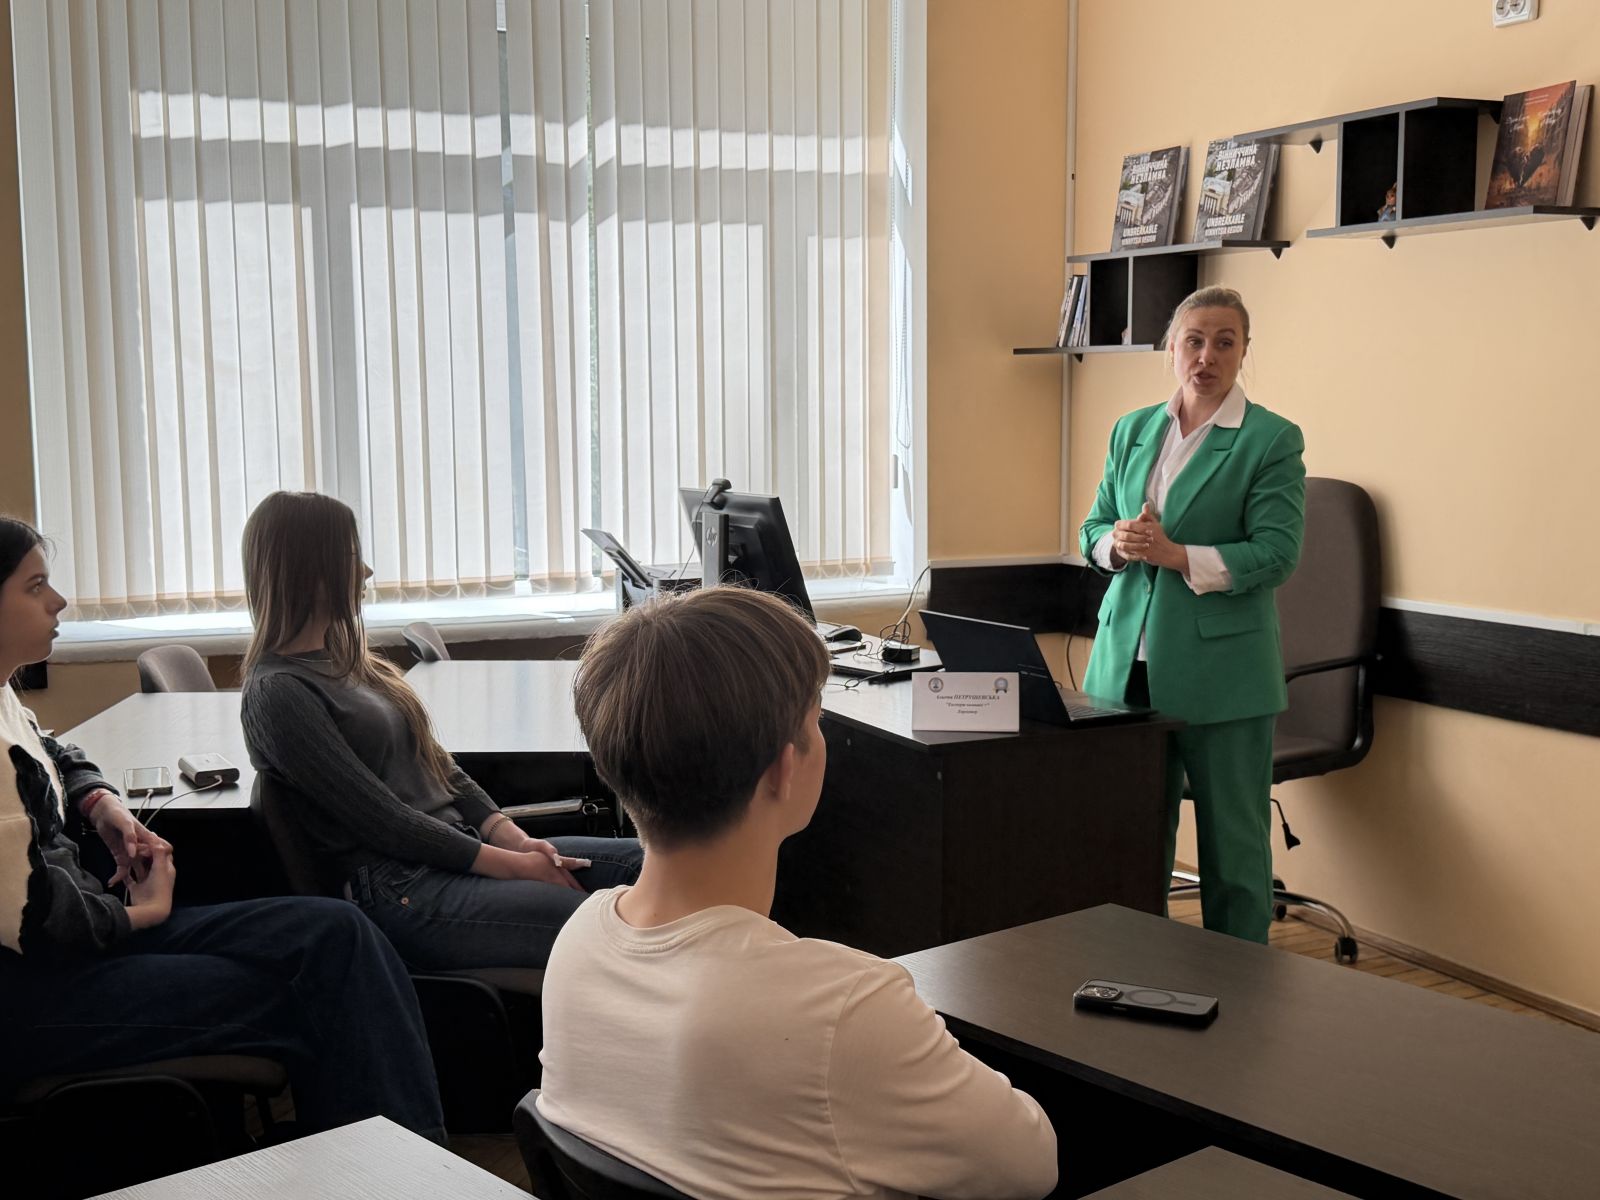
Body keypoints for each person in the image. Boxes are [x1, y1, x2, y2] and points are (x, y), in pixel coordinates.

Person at [541, 586, 1058, 1200]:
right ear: (785, 770)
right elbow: (1031, 1166)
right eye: (818, 721)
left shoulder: (577, 943)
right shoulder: (845, 1009)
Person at [0, 516, 446, 1142]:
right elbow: (33, 923)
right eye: (35, 586)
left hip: (85, 941)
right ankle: (391, 1171)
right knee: (314, 988)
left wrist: (102, 803)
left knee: (337, 933)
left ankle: (389, 1163)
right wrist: (143, 915)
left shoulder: (5, 698)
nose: (59, 600)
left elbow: (53, 748)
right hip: (38, 993)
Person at [239, 491, 642, 971]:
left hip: (456, 851)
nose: (366, 571)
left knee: (656, 866)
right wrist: (515, 867)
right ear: (310, 571)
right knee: (612, 926)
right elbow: (384, 820)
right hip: (402, 888)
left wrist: (514, 840)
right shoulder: (278, 694)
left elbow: (441, 768)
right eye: (350, 556)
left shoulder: (353, 665)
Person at [1079, 285, 1305, 943]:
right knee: (1127, 835)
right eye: (1194, 341)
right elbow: (1093, 526)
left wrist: (1176, 555)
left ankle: (1241, 988)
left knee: (1232, 849)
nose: (1207, 356)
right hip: (1125, 668)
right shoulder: (1132, 430)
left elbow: (1277, 554)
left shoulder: (1270, 439)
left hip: (1223, 674)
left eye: (1224, 343)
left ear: (1243, 351)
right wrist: (1115, 543)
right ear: (1172, 349)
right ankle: (1132, 966)